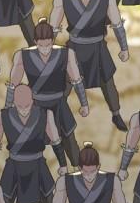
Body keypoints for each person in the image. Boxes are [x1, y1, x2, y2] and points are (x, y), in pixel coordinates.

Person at [48, 0, 129, 131]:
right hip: (74, 48)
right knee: (65, 83)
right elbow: (53, 27)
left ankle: (116, 114)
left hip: (98, 47)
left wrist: (124, 47)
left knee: (108, 83)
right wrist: (49, 51)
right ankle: (53, 118)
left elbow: (117, 24)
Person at [0, 84, 67, 203]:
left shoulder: (45, 115)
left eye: (27, 104)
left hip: (37, 163)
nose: (23, 108)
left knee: (49, 198)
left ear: (32, 99)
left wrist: (63, 164)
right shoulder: (1, 116)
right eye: (19, 104)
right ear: (14, 101)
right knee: (4, 200)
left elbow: (55, 140)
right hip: (14, 164)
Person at [7, 17, 88, 167]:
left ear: (52, 40)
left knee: (69, 140)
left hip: (59, 104)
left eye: (48, 44)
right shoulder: (22, 56)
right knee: (31, 142)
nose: (45, 49)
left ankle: (77, 169)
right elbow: (13, 85)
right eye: (41, 45)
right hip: (35, 106)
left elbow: (76, 80)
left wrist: (84, 104)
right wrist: (8, 107)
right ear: (35, 42)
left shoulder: (66, 54)